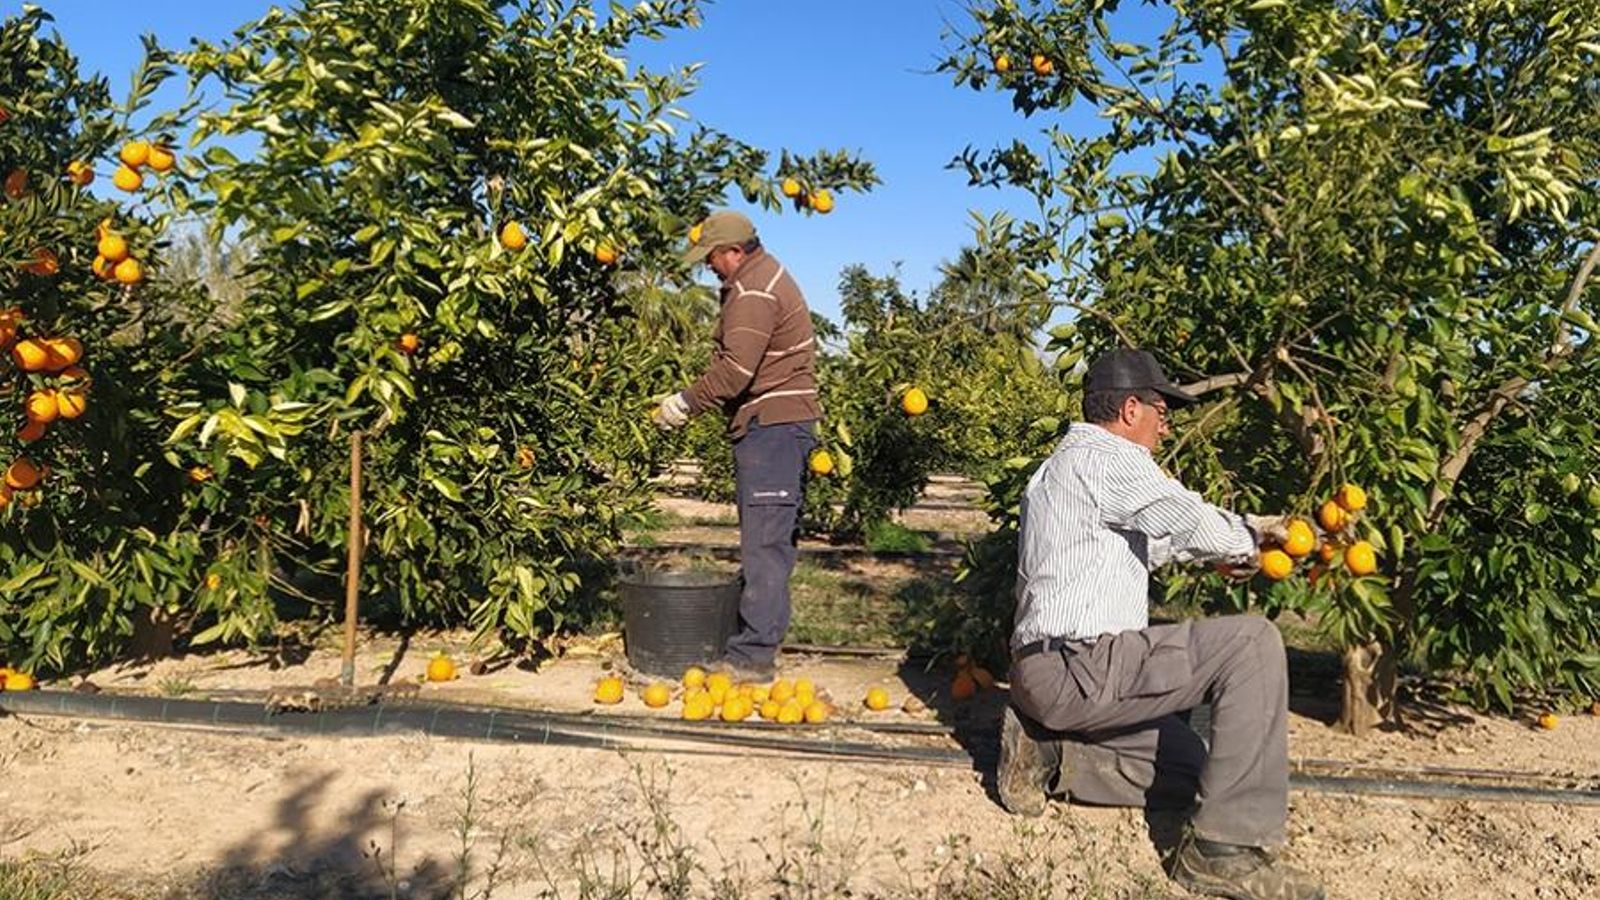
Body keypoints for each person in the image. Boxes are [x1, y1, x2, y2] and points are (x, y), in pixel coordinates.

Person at [998, 348, 1325, 900]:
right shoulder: (1108, 457)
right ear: (1130, 409)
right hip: (1084, 664)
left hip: (1049, 676)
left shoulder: (1057, 470)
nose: (1165, 426)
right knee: (1253, 642)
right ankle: (1223, 855)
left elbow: (1148, 541)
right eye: (1161, 410)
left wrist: (1228, 551)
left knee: (1198, 768)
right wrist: (1254, 532)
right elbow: (1184, 514)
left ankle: (1054, 758)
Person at [653, 210, 821, 678]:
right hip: (776, 426)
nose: (708, 265)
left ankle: (752, 658)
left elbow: (735, 372)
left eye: (711, 256)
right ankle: (753, 644)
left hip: (773, 428)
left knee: (764, 544)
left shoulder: (752, 291)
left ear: (733, 251)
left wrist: (684, 404)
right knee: (768, 540)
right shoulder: (764, 276)